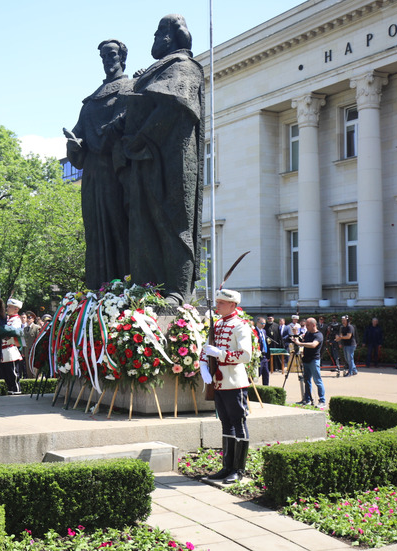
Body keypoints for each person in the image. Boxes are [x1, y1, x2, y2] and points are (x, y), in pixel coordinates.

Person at [121, 14, 204, 304]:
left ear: (170, 36)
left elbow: (173, 106)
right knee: (144, 222)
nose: (154, 41)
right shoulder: (156, 71)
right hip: (145, 158)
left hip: (172, 157)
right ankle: (148, 289)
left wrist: (140, 135)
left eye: (157, 34)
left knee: (174, 220)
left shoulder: (184, 65)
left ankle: (178, 293)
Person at [64, 39, 132, 290]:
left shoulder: (129, 88)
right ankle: (97, 287)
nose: (107, 60)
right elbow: (78, 134)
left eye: (111, 54)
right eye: (103, 56)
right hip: (92, 174)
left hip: (116, 172)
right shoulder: (91, 101)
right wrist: (74, 143)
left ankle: (125, 287)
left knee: (118, 227)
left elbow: (127, 128)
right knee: (95, 231)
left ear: (122, 57)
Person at [199, 289, 253, 483]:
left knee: (238, 424)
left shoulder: (240, 326)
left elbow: (246, 355)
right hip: (219, 383)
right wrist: (204, 364)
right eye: (217, 302)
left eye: (221, 303)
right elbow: (207, 347)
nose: (217, 306)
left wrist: (220, 354)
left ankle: (238, 469)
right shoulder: (218, 324)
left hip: (234, 383)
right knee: (225, 424)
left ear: (232, 305)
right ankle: (227, 466)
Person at [293, 317, 326, 408]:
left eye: (308, 325)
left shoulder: (318, 335)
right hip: (306, 359)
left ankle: (322, 401)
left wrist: (300, 344)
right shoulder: (307, 333)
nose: (306, 327)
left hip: (314, 360)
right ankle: (307, 399)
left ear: (313, 325)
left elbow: (313, 345)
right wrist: (297, 337)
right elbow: (304, 341)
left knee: (317, 380)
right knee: (307, 380)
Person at [0, 298, 24, 394]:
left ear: (16, 309)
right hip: (3, 349)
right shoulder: (6, 318)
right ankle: (10, 389)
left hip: (10, 348)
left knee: (13, 372)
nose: (7, 308)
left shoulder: (16, 319)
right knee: (5, 373)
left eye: (10, 307)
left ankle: (16, 389)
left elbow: (13, 331)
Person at [255, 317, 270, 385]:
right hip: (258, 355)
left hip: (264, 356)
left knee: (266, 374)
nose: (263, 325)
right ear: (257, 323)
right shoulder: (254, 331)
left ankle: (266, 387)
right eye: (262, 323)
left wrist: (268, 355)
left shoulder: (264, 331)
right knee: (258, 373)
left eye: (264, 323)